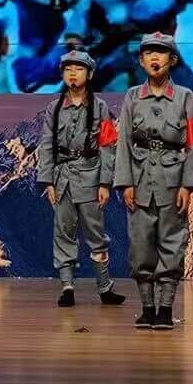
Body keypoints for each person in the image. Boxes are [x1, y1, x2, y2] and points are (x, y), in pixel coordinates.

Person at [113, 32, 193, 331]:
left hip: (173, 179)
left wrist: (187, 185)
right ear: (141, 61)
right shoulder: (131, 97)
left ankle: (165, 309)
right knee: (140, 246)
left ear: (173, 60)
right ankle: (147, 308)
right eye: (149, 53)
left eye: (161, 52)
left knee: (172, 243)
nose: (155, 58)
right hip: (140, 179)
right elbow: (123, 142)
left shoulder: (185, 97)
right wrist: (125, 183)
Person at [35, 50, 126, 307]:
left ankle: (105, 288)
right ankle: (67, 287)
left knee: (96, 235)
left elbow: (108, 146)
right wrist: (48, 181)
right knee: (63, 234)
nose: (73, 74)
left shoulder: (100, 108)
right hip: (61, 178)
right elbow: (47, 146)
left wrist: (105, 183)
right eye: (68, 69)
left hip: (90, 176)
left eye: (79, 69)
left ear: (90, 74)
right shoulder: (54, 109)